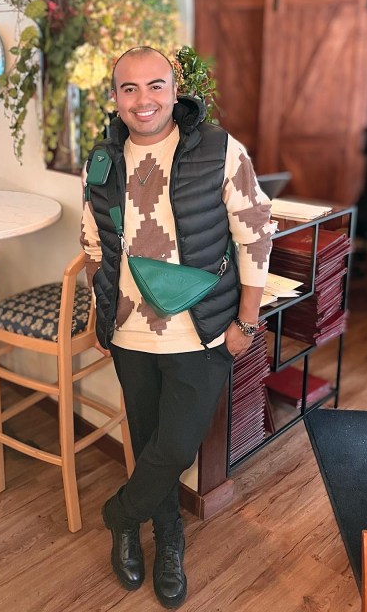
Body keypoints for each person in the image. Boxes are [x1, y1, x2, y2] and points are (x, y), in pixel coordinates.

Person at [80, 46, 274, 608]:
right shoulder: (102, 159)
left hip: (202, 329)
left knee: (178, 444)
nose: (143, 100)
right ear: (115, 97)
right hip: (130, 333)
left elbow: (255, 234)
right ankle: (167, 538)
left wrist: (247, 321)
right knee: (148, 442)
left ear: (174, 90)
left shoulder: (218, 149)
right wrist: (103, 310)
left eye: (155, 86)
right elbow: (93, 243)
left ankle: (121, 515)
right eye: (130, 89)